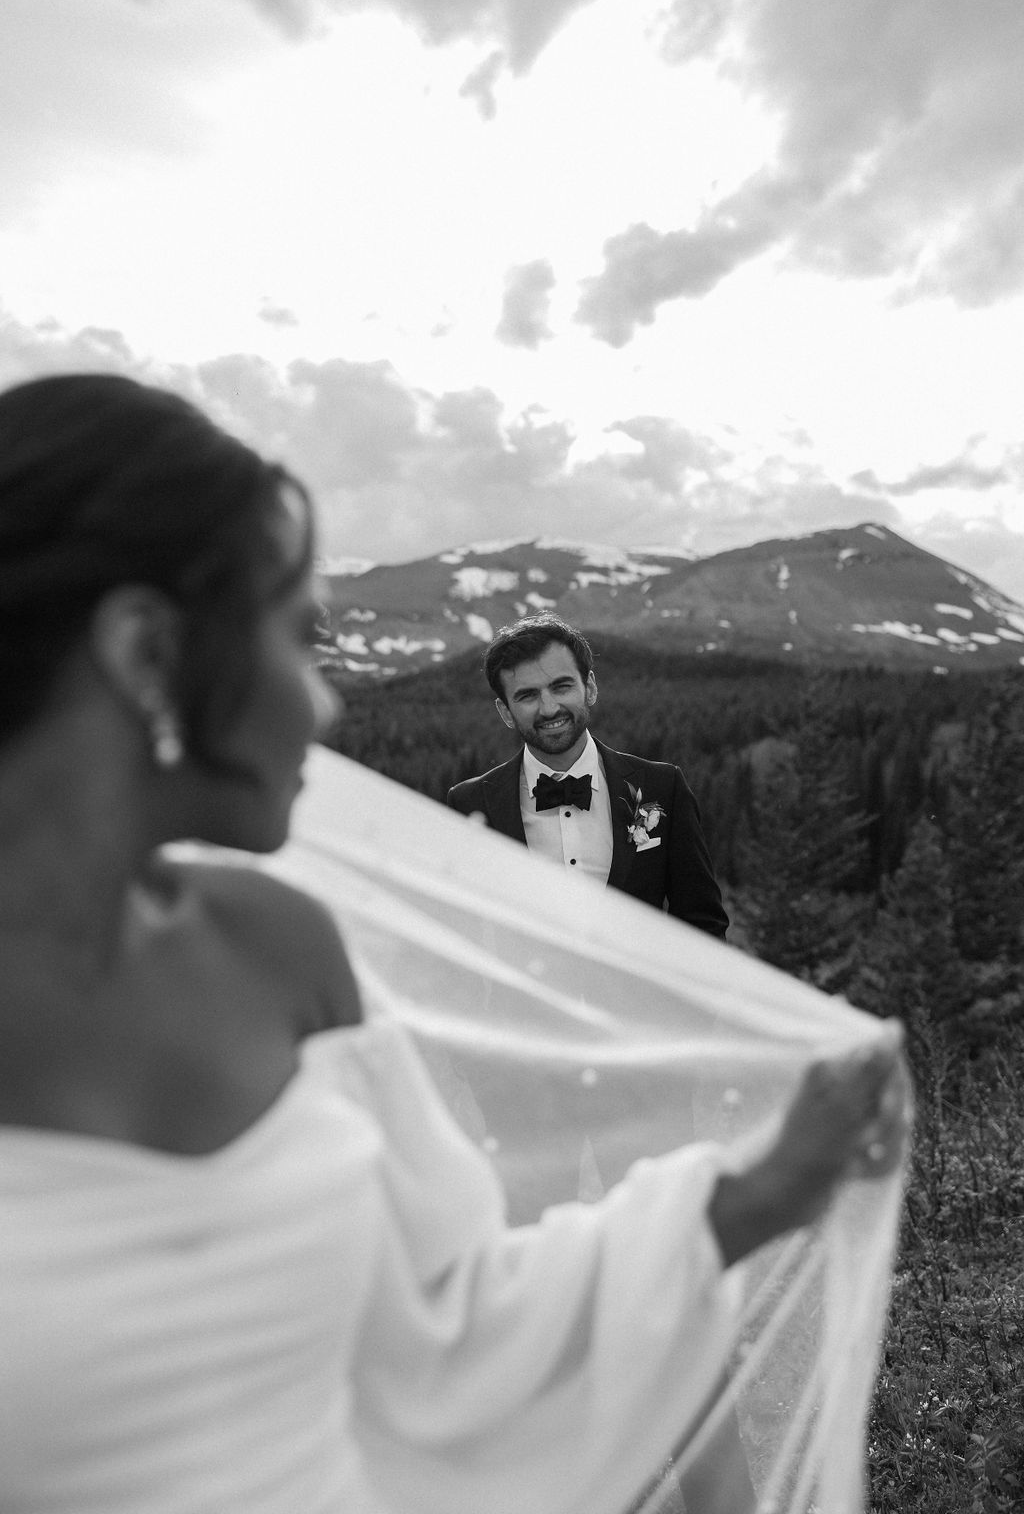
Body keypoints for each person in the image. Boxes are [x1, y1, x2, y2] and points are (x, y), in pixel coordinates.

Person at [0, 373, 906, 1514]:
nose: (324, 709)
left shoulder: (278, 950)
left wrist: (764, 1188)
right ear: (144, 654)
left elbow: (457, 1315)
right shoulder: (467, 806)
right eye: (295, 639)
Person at [447, 615, 729, 937]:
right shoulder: (469, 802)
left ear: (590, 687)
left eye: (561, 686)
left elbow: (703, 926)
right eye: (527, 695)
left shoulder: (662, 788)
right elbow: (461, 933)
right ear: (505, 712)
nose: (549, 708)